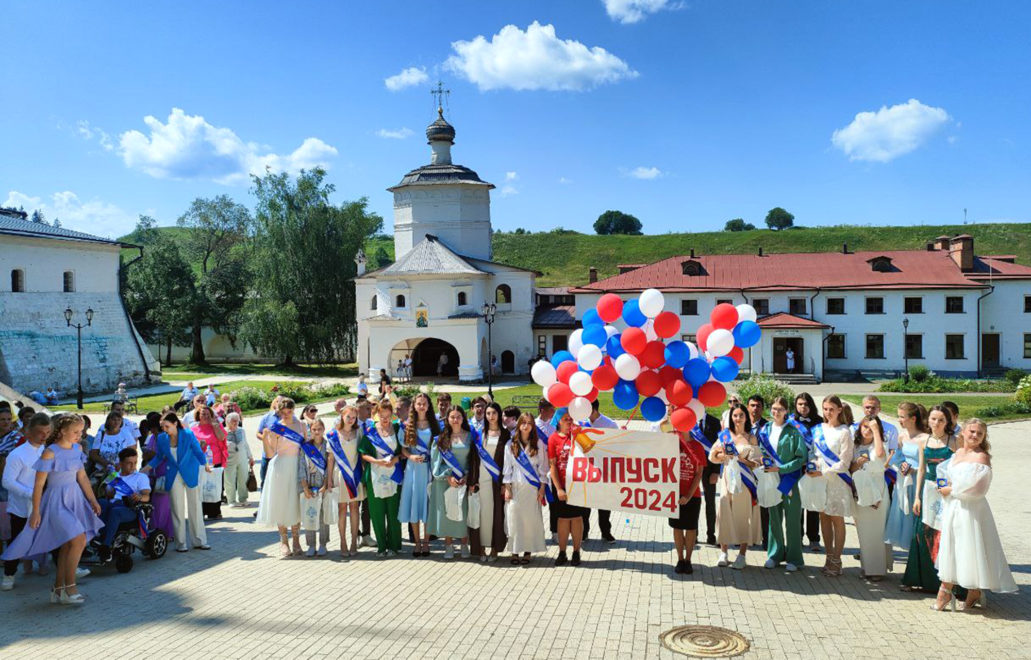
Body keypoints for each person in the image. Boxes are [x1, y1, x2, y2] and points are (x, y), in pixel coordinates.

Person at [1, 413, 102, 605]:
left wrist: (92, 500)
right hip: (55, 502)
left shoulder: (78, 448)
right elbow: (39, 485)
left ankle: (58, 590)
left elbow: (82, 477)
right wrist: (36, 511)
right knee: (78, 539)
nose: (79, 435)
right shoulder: (50, 452)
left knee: (67, 545)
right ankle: (70, 588)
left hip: (75, 500)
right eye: (75, 431)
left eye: (81, 431)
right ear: (62, 431)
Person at [933, 419, 1016, 611]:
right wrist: (942, 485)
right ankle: (961, 590)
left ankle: (956, 591)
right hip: (953, 508)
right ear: (963, 431)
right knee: (952, 546)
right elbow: (943, 471)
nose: (975, 436)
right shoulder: (958, 453)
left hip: (971, 510)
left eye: (980, 433)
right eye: (972, 431)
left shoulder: (982, 458)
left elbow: (978, 489)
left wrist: (951, 491)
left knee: (968, 547)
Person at [903, 405, 958, 592]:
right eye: (933, 419)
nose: (937, 423)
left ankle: (947, 583)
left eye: (941, 420)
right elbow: (921, 470)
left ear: (948, 422)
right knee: (923, 532)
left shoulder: (954, 441)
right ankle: (921, 578)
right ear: (928, 420)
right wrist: (917, 497)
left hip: (947, 491)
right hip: (928, 491)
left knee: (945, 533)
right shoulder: (923, 441)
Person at [146, 413, 210, 552]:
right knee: (177, 509)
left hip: (190, 473)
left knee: (195, 507)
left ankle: (199, 540)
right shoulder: (162, 438)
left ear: (175, 423)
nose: (164, 429)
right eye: (162, 426)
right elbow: (159, 457)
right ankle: (181, 543)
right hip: (173, 474)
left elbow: (198, 451)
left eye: (167, 426)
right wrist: (146, 468)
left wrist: (205, 464)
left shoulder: (187, 434)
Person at [710, 403, 763, 569]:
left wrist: (741, 459)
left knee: (743, 514)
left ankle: (742, 554)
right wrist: (724, 454)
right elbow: (713, 455)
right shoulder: (725, 436)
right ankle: (724, 552)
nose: (738, 418)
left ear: (746, 417)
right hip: (727, 478)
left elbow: (756, 463)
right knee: (725, 511)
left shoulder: (751, 438)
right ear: (730, 417)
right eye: (735, 415)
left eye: (741, 415)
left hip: (745, 481)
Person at [2, 413, 51, 590]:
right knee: (17, 540)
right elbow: (7, 481)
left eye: (47, 431)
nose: (44, 436)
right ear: (28, 433)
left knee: (52, 534)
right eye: (40, 432)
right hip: (21, 508)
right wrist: (30, 493)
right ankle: (9, 574)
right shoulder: (17, 454)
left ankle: (68, 567)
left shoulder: (46, 451)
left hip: (43, 504)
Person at [806, 395, 854, 577]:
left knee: (837, 519)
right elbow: (813, 452)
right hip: (820, 481)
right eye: (825, 409)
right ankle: (828, 556)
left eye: (831, 409)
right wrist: (812, 465)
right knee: (823, 518)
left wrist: (824, 472)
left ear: (840, 410)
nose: (828, 412)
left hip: (838, 481)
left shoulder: (844, 432)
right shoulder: (818, 429)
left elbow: (845, 462)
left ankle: (837, 559)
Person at [762, 397, 808, 572]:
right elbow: (761, 451)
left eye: (780, 409)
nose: (776, 412)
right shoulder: (765, 429)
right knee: (774, 519)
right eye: (774, 408)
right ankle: (775, 554)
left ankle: (794, 558)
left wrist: (780, 468)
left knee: (792, 520)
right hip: (771, 480)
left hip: (790, 481)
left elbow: (801, 457)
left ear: (786, 411)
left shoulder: (794, 431)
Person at [255, 398, 305, 558]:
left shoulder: (302, 425)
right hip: (280, 467)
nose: (286, 415)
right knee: (282, 502)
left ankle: (296, 540)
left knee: (296, 502)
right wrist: (265, 438)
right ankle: (284, 541)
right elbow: (270, 454)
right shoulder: (276, 428)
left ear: (293, 409)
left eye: (289, 412)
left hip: (297, 466)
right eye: (283, 413)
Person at [428, 406, 474, 559]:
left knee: (463, 511)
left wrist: (467, 476)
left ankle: (464, 544)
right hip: (445, 481)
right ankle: (448, 545)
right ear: (447, 419)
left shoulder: (470, 436)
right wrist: (447, 476)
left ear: (463, 418)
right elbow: (436, 462)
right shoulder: (441, 438)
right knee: (446, 513)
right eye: (452, 417)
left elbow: (473, 460)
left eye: (458, 416)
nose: (455, 420)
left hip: (464, 481)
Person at [849, 414, 891, 581]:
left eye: (871, 427)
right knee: (863, 531)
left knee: (877, 531)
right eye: (864, 426)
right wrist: (858, 463)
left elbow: (880, 456)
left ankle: (878, 569)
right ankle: (867, 566)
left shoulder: (880, 444)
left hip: (878, 488)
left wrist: (876, 431)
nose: (867, 430)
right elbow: (851, 468)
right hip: (860, 489)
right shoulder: (855, 445)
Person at [359, 399, 403, 556]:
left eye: (388, 416)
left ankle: (394, 546)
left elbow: (403, 451)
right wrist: (378, 461)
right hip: (375, 475)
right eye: (382, 416)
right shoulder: (370, 432)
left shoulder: (397, 429)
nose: (385, 420)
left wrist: (395, 460)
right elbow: (363, 453)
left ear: (392, 415)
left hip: (393, 474)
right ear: (376, 415)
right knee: (377, 513)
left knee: (393, 511)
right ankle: (382, 547)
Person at [503, 413, 548, 565]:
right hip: (515, 487)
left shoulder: (539, 444)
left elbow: (543, 468)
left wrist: (542, 488)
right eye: (523, 422)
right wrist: (507, 488)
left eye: (529, 423)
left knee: (529, 521)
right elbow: (507, 469)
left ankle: (528, 551)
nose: (526, 425)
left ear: (532, 426)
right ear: (519, 424)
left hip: (532, 489)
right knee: (514, 519)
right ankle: (515, 551)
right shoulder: (510, 444)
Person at [884, 402, 927, 556]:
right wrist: (901, 466)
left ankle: (918, 554)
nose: (899, 420)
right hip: (903, 481)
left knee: (916, 516)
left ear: (913, 418)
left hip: (918, 482)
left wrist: (913, 470)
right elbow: (897, 459)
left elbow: (927, 465)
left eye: (902, 417)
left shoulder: (925, 438)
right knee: (903, 514)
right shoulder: (902, 436)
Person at [398, 393, 438, 557]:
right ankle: (417, 542)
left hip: (429, 469)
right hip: (414, 468)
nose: (421, 406)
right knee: (415, 503)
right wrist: (410, 456)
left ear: (428, 406)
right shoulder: (407, 425)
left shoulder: (435, 425)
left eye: (424, 403)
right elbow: (403, 449)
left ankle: (427, 542)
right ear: (414, 406)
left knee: (427, 505)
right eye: (419, 403)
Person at [548, 409, 589, 566]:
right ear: (558, 421)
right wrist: (558, 488)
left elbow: (593, 450)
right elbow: (552, 465)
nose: (569, 422)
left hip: (578, 485)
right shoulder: (553, 439)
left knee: (577, 519)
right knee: (563, 520)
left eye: (571, 419)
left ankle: (577, 552)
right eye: (565, 419)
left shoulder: (579, 436)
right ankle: (562, 552)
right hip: (561, 485)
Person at [96, 447, 151, 562]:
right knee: (100, 503)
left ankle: (105, 546)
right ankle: (95, 537)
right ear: (120, 463)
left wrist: (140, 497)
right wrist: (109, 492)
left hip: (130, 509)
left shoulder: (140, 477)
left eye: (135, 462)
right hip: (113, 504)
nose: (133, 466)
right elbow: (106, 493)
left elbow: (147, 496)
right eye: (129, 463)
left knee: (115, 511)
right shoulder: (115, 476)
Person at [471, 402, 508, 562]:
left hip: (497, 481)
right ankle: (481, 547)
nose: (491, 416)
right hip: (481, 480)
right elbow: (473, 459)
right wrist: (473, 481)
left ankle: (494, 548)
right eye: (488, 413)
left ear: (499, 414)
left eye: (494, 413)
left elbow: (509, 461)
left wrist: (506, 484)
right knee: (481, 515)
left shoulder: (506, 435)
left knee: (496, 515)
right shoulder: (479, 434)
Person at [327, 404, 365, 558]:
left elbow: (362, 454)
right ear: (342, 416)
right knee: (342, 509)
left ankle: (354, 542)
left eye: (353, 417)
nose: (351, 420)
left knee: (354, 508)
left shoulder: (359, 432)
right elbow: (330, 459)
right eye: (348, 416)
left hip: (355, 475)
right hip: (340, 475)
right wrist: (329, 479)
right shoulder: (333, 434)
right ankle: (342, 541)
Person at [671, 423, 707, 575]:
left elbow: (699, 473)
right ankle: (680, 559)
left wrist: (688, 496)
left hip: (692, 495)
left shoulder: (697, 446)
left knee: (691, 528)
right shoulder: (672, 442)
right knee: (677, 528)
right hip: (674, 494)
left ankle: (688, 560)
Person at [297, 418, 336, 557]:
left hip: (322, 483)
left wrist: (325, 485)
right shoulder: (305, 446)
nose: (317, 432)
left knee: (322, 515)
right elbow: (301, 467)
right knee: (310, 514)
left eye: (319, 429)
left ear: (324, 430)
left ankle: (323, 544)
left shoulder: (327, 445)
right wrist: (305, 487)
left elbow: (328, 467)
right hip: (308, 483)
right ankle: (311, 545)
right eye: (314, 429)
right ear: (310, 430)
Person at [584, 400, 618, 543]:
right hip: (585, 468)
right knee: (584, 502)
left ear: (594, 409)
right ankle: (584, 532)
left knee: (604, 502)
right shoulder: (580, 422)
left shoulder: (610, 424)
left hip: (604, 468)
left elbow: (617, 446)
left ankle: (606, 531)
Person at [191, 406, 227, 520]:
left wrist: (216, 427)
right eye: (203, 414)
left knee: (215, 486)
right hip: (200, 462)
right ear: (198, 416)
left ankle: (215, 512)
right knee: (202, 486)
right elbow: (191, 445)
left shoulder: (216, 425)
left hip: (215, 461)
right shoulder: (194, 428)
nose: (206, 417)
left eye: (208, 414)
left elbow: (222, 438)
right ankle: (201, 511)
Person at [691, 410, 721, 547]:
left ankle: (711, 535)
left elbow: (719, 447)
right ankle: (693, 534)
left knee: (710, 502)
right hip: (693, 468)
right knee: (694, 501)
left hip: (710, 468)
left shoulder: (714, 422)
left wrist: (716, 471)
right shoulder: (689, 420)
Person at [89, 412, 139, 482]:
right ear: (108, 421)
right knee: (104, 488)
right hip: (103, 471)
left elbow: (132, 451)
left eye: (119, 420)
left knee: (119, 490)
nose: (116, 422)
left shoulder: (126, 433)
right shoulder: (101, 434)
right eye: (114, 420)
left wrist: (121, 464)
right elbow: (93, 454)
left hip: (122, 471)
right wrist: (106, 464)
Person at [224, 413, 253, 508]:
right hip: (229, 460)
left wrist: (250, 457)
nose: (236, 422)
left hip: (242, 458)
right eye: (233, 420)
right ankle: (231, 500)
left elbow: (246, 444)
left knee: (243, 478)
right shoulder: (223, 432)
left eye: (237, 420)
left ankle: (243, 499)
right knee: (229, 480)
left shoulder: (242, 430)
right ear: (228, 422)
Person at [256, 396, 284, 490]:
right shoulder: (267, 417)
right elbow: (258, 433)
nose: (279, 403)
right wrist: (265, 439)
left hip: (282, 455)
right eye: (277, 401)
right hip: (267, 455)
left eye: (282, 402)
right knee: (265, 480)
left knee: (280, 481)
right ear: (274, 403)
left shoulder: (289, 418)